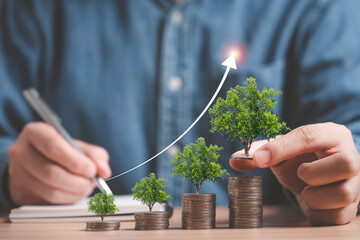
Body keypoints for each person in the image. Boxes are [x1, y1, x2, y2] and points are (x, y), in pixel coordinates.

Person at [0, 0, 359, 226]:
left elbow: (350, 137)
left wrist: (344, 182)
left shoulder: (322, 8)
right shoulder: (32, 8)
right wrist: (10, 174)